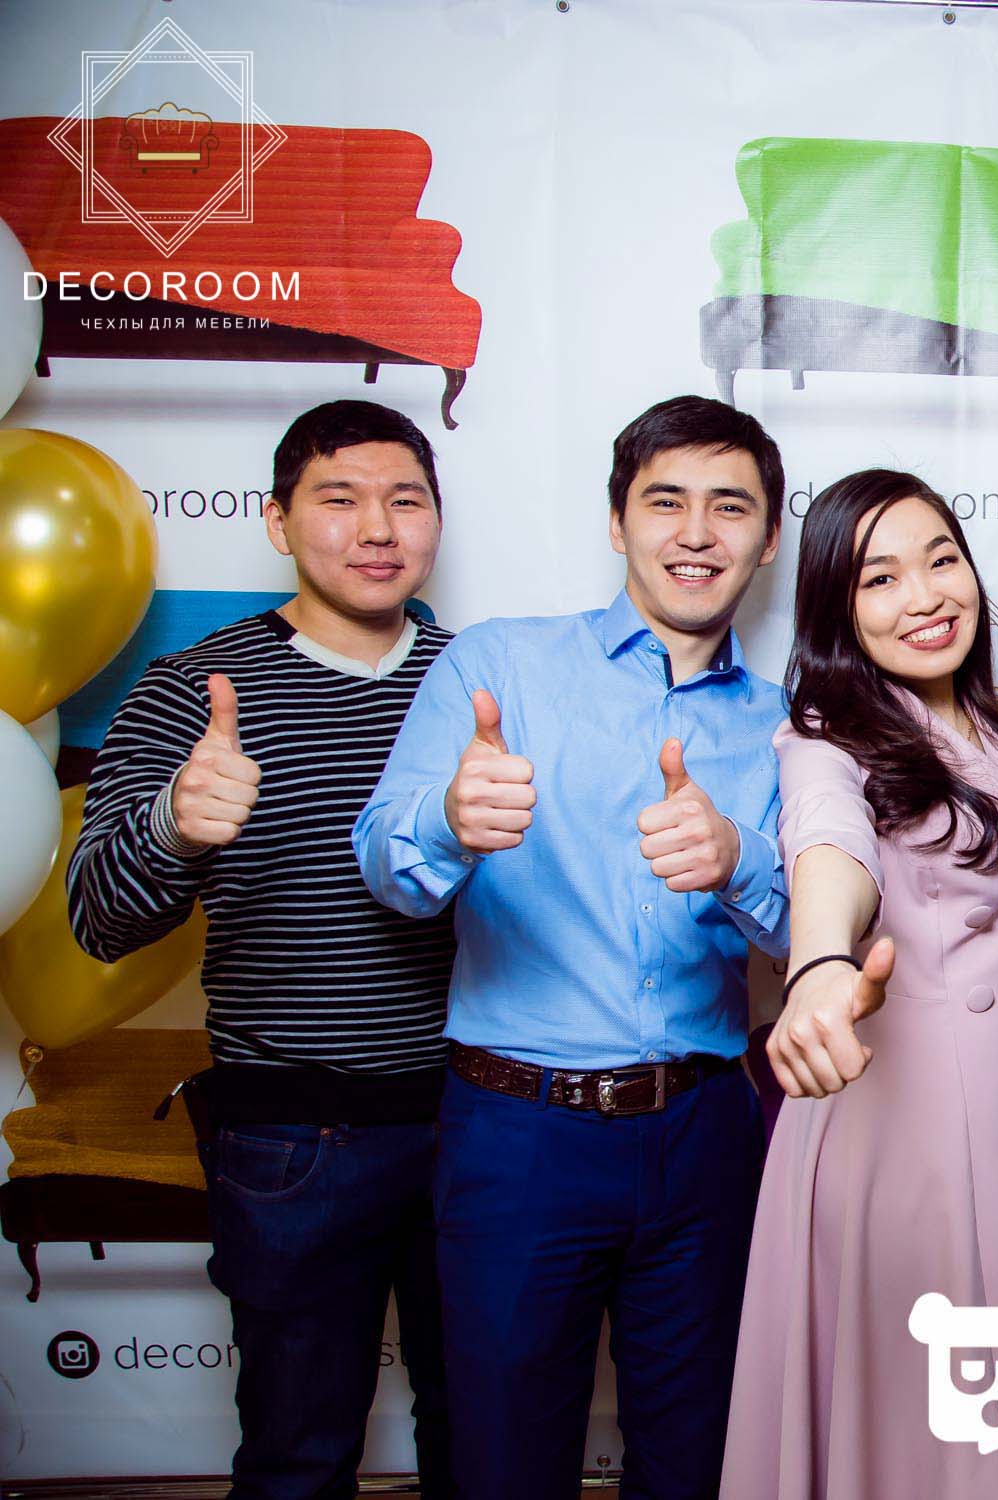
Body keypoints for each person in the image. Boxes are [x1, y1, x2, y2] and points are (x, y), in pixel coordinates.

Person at [354, 396, 791, 1500]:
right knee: (504, 1467)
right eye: (666, 502)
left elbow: (813, 934)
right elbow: (388, 870)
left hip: (704, 1134)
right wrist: (449, 823)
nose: (697, 533)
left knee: (696, 1466)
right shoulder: (501, 665)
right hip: (521, 1136)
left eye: (730, 507)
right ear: (616, 521)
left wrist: (738, 857)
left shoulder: (787, 724)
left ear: (769, 540)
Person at [67, 400, 457, 1499]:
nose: (377, 527)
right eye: (340, 499)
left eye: (406, 500)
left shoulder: (488, 682)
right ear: (279, 522)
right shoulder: (193, 691)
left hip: (482, 1123)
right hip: (291, 1138)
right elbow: (97, 921)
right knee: (296, 1456)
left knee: (486, 1443)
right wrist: (174, 827)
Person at [719, 469, 998, 1500]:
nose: (925, 596)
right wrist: (821, 965)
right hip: (912, 1133)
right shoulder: (824, 736)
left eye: (941, 560)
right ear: (837, 610)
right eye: (880, 578)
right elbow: (826, 845)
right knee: (928, 1428)